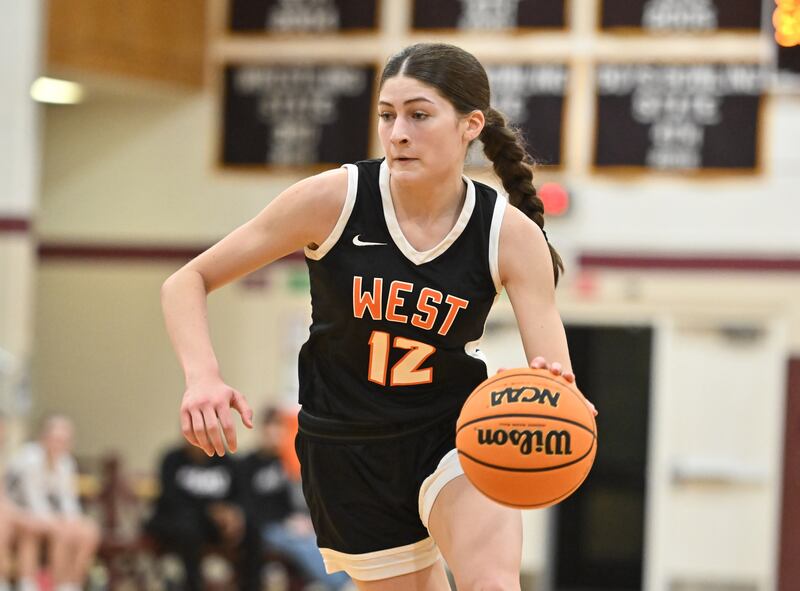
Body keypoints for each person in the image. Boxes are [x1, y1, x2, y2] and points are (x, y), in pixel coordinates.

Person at [161, 42, 597, 590]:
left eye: (419, 115)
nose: (398, 133)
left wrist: (544, 391)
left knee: (492, 582)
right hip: (346, 449)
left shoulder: (508, 234)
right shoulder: (335, 199)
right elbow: (186, 281)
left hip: (454, 434)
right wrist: (202, 377)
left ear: (470, 125)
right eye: (387, 116)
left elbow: (556, 378)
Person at [238, 406, 351, 590]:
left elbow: (296, 500)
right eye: (272, 426)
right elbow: (250, 506)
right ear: (263, 429)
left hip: (288, 521)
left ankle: (345, 579)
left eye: (280, 427)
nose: (276, 433)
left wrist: (300, 519)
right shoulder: (247, 464)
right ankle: (342, 585)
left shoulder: (284, 461)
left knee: (325, 533)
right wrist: (286, 522)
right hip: (263, 527)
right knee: (302, 543)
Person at [144, 439, 262, 591]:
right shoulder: (173, 460)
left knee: (253, 528)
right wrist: (209, 510)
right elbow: (171, 500)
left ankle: (251, 586)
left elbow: (242, 496)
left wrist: (234, 514)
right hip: (180, 522)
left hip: (217, 525)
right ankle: (193, 585)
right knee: (188, 529)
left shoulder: (225, 461)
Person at [4, 414, 100, 591]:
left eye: (65, 440)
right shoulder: (29, 458)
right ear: (43, 438)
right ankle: (34, 584)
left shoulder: (66, 462)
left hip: (45, 515)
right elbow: (33, 501)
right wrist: (58, 523)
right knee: (49, 531)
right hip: (20, 513)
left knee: (89, 531)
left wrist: (71, 521)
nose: (59, 444)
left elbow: (68, 500)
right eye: (56, 439)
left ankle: (71, 583)